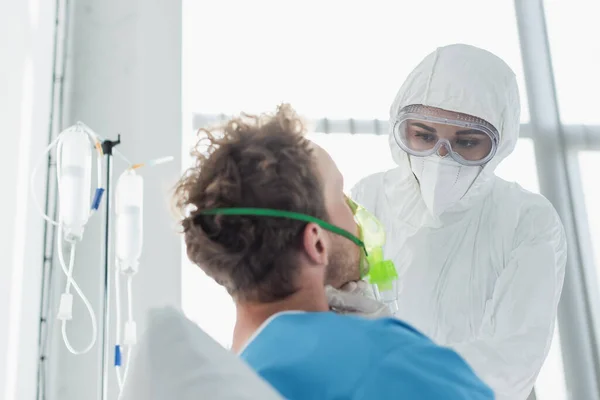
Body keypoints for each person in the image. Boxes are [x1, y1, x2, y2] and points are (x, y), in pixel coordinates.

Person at [172, 104, 494, 399]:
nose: (356, 214)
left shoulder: (228, 378)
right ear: (316, 242)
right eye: (341, 196)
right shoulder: (388, 357)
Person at [344, 44, 567, 399]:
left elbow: (512, 360)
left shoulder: (527, 219)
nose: (441, 158)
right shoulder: (369, 197)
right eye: (424, 136)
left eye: (466, 142)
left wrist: (400, 370)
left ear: (501, 141)